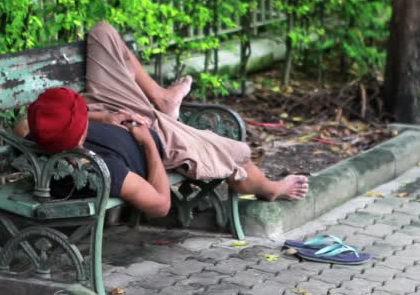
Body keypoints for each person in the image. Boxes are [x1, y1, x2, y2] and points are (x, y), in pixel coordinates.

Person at [17, 22, 309, 218]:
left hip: (117, 110)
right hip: (161, 139)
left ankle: (163, 99)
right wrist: (148, 145)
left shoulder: (38, 130)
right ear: (80, 137)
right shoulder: (103, 169)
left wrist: (103, 115)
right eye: (81, 117)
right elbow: (160, 205)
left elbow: (26, 123)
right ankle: (267, 188)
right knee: (237, 153)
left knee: (102, 32)